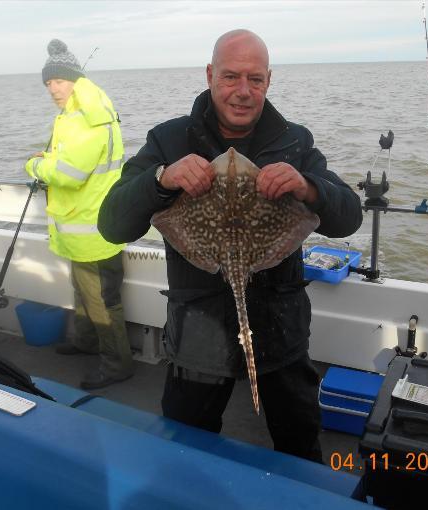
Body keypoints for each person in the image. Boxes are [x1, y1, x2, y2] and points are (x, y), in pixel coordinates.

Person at [97, 29, 362, 462]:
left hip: (282, 329)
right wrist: (161, 179)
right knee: (187, 450)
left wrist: (309, 186)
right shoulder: (169, 139)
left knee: (300, 445)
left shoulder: (295, 141)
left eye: (255, 79)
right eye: (230, 77)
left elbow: (348, 214)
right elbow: (111, 224)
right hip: (198, 334)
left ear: (269, 81)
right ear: (209, 75)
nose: (243, 91)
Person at [25, 39, 134, 390]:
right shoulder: (78, 112)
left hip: (94, 228)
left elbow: (70, 173)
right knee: (83, 291)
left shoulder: (89, 117)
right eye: (47, 83)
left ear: (74, 79)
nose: (52, 89)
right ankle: (87, 342)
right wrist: (49, 160)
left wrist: (36, 165)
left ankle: (118, 365)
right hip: (82, 225)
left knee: (103, 301)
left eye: (58, 80)